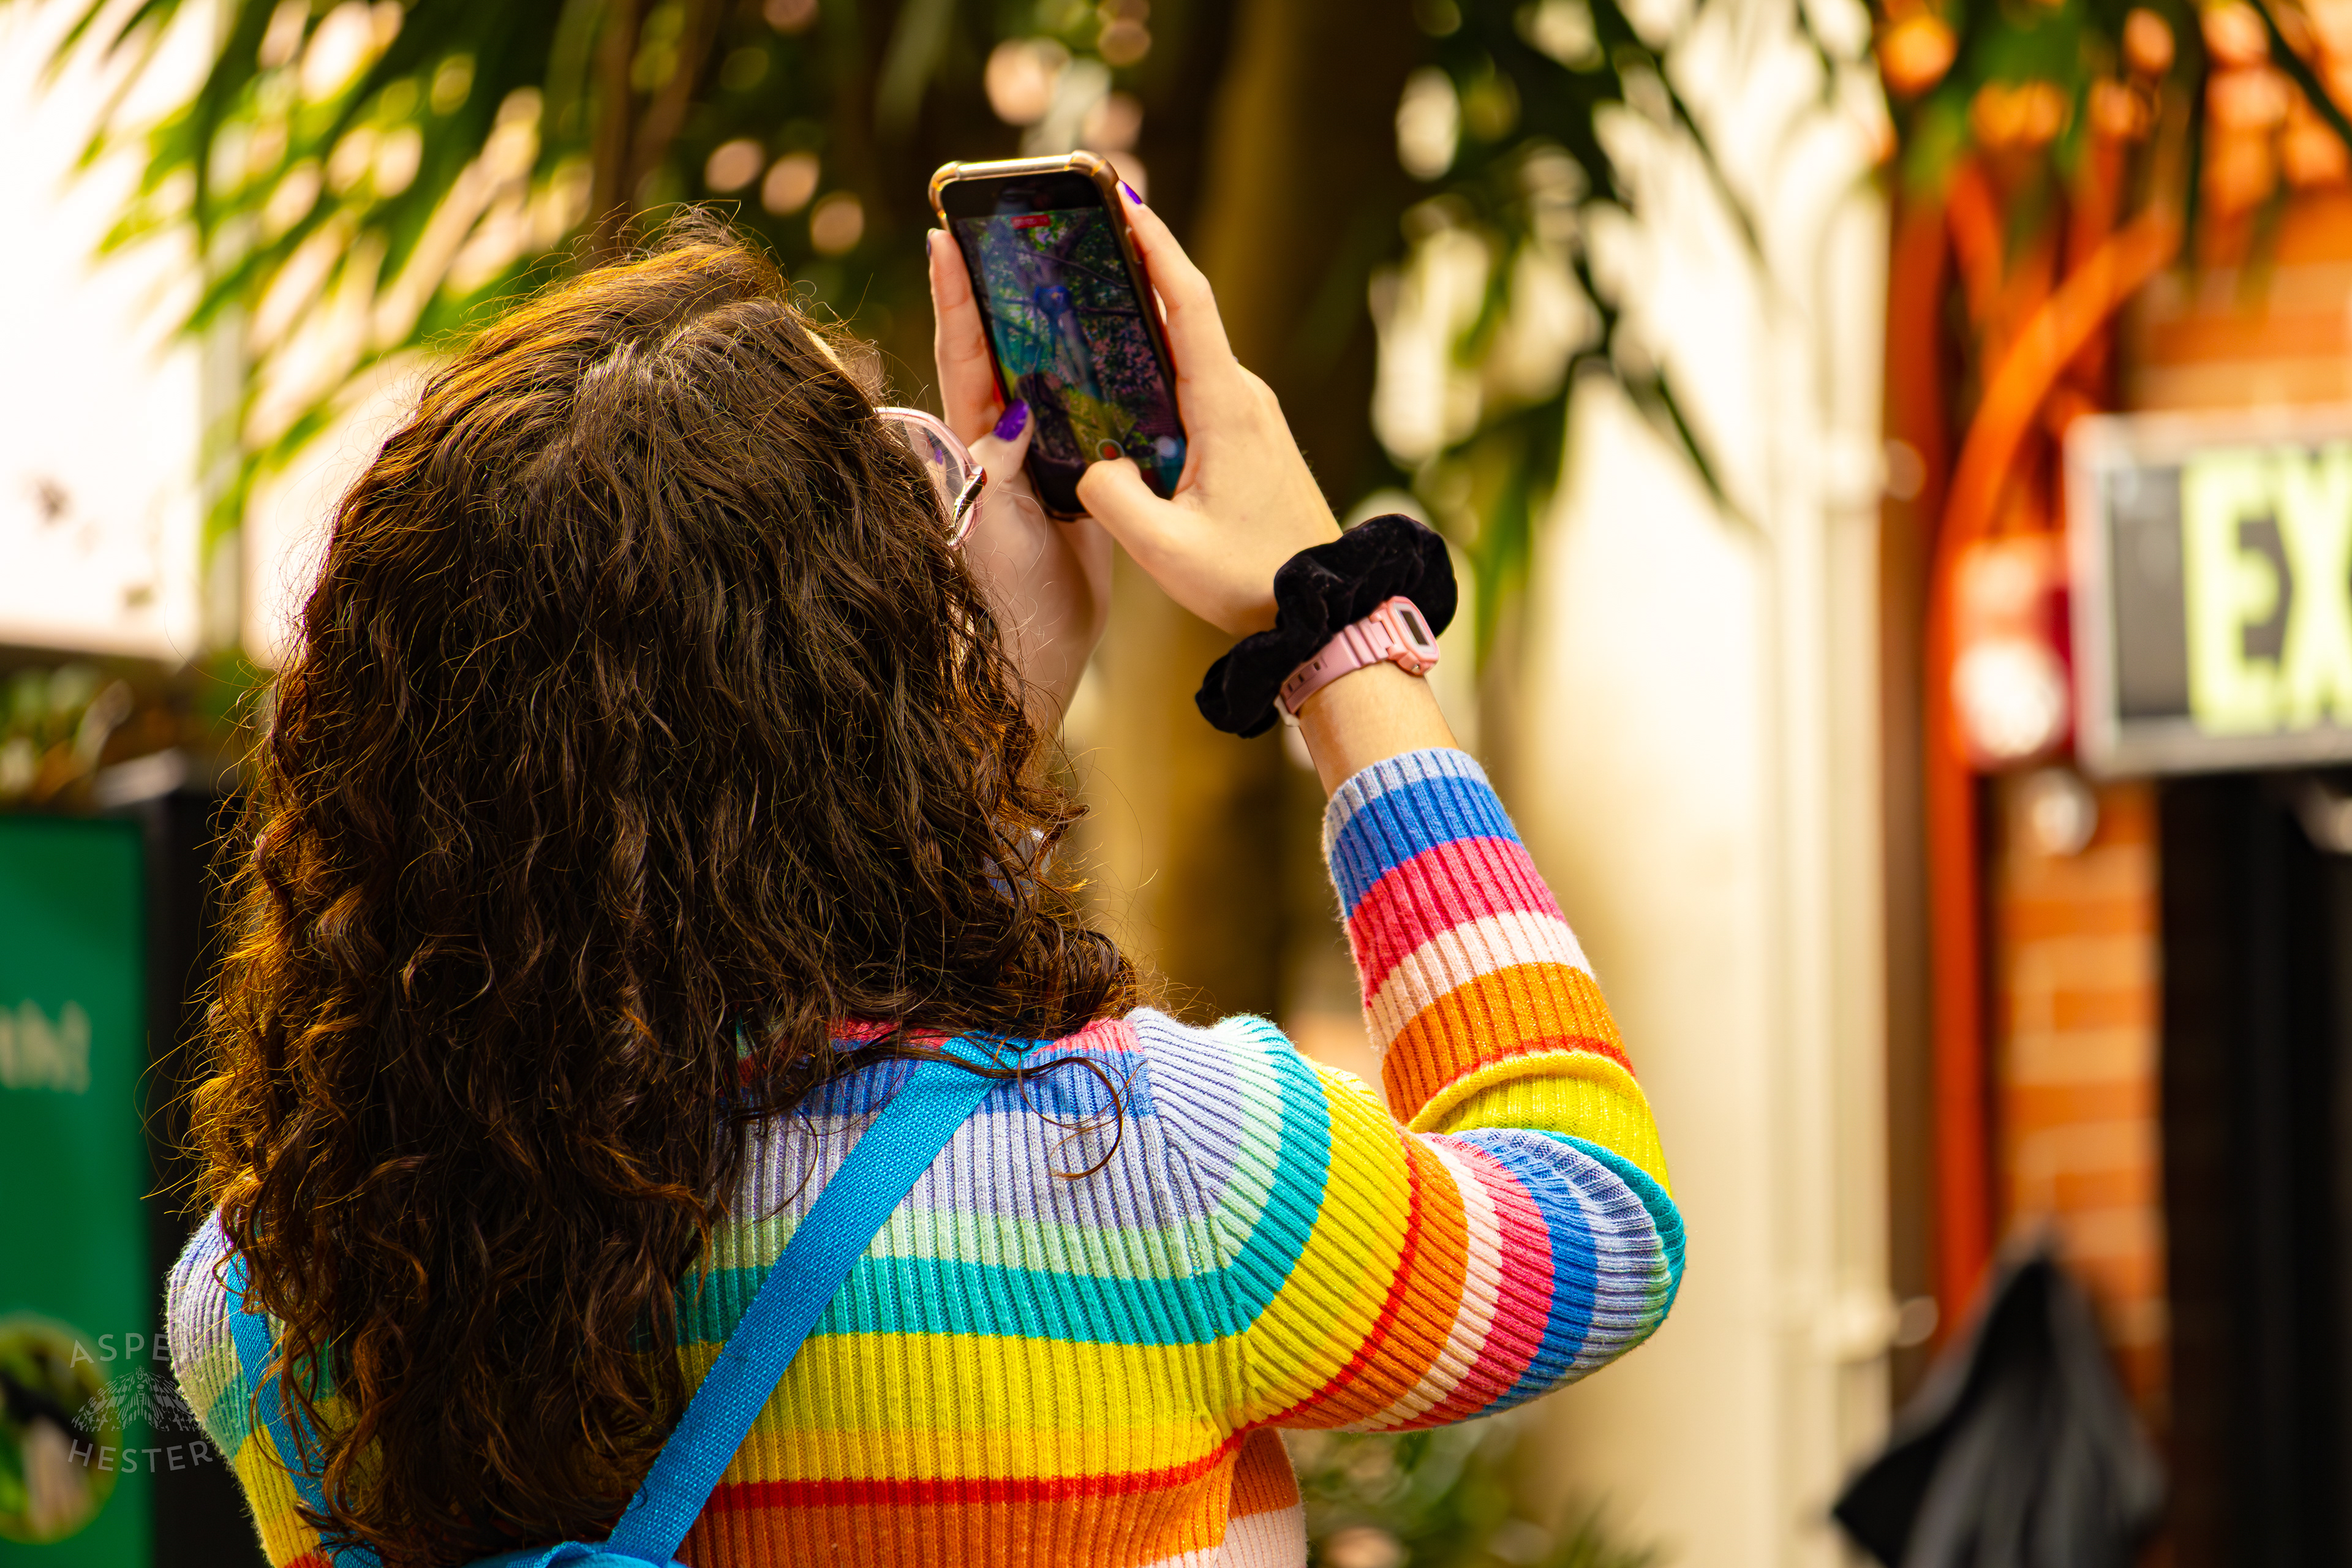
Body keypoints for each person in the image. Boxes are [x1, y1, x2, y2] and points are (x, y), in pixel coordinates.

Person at [165, 191, 1682, 1568]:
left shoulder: (270, 1293)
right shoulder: (1155, 1173)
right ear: (858, 690)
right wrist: (1336, 624)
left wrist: (949, 736)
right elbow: (1594, 1219)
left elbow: (755, 1014)